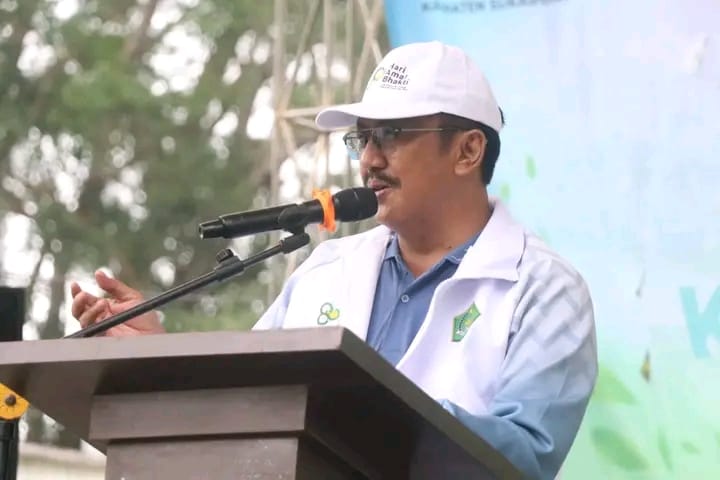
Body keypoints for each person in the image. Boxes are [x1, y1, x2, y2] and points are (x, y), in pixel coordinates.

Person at [71, 41, 597, 479]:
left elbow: (523, 457)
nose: (369, 159)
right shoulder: (326, 269)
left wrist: (358, 409)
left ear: (468, 151)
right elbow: (244, 404)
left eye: (392, 134)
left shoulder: (544, 288)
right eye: (362, 138)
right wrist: (158, 354)